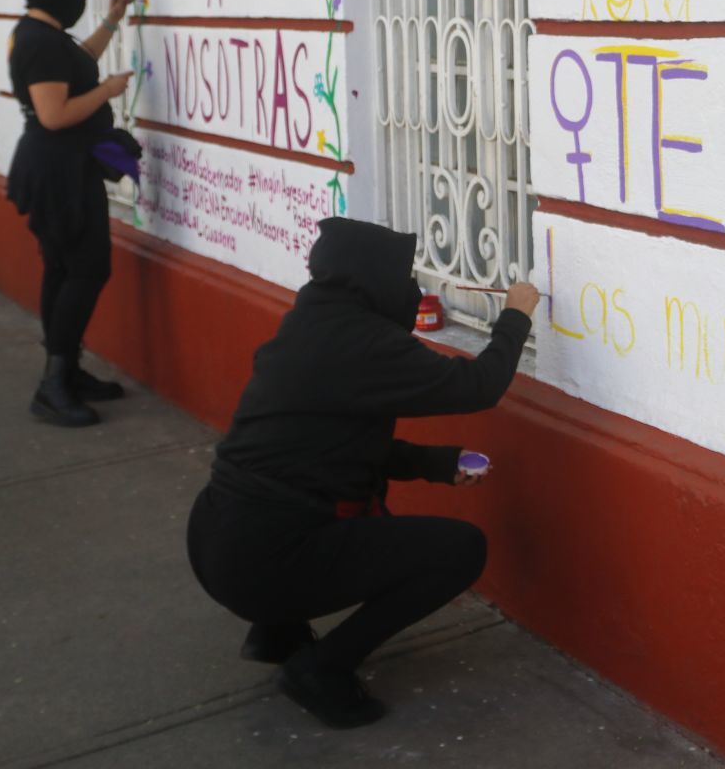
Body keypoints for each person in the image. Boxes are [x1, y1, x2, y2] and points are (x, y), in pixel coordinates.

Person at [185, 217, 540, 729]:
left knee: (309, 503)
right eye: (402, 275)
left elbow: (336, 447)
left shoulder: (311, 324)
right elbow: (477, 387)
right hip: (263, 560)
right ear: (372, 278)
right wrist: (515, 316)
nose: (410, 288)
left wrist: (439, 464)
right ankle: (322, 669)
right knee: (460, 549)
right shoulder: (363, 343)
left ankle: (277, 632)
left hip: (219, 540)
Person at [7, 0, 134, 428]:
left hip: (62, 168)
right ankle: (54, 383)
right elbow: (54, 114)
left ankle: (67, 369)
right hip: (59, 173)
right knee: (84, 268)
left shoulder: (42, 36)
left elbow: (74, 65)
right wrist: (106, 91)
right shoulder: (40, 42)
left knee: (65, 268)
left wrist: (110, 21)